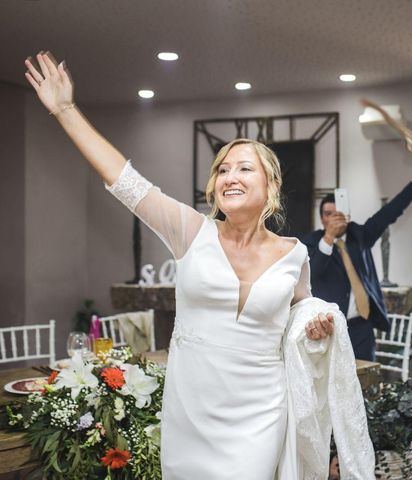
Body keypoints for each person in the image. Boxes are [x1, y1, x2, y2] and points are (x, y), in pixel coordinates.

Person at [24, 52, 374, 479]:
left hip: (261, 411)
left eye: (245, 168)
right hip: (192, 411)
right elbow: (124, 180)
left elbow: (301, 310)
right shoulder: (190, 231)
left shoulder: (293, 253)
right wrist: (65, 109)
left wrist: (316, 324)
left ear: (272, 185)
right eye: (222, 169)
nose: (230, 176)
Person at [302, 162, 412, 361]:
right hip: (329, 329)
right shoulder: (311, 242)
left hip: (362, 327)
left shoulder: (360, 235)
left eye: (338, 212)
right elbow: (312, 275)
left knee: (366, 384)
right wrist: (328, 239)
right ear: (321, 218)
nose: (334, 218)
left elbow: (390, 212)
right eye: (327, 214)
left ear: (347, 215)